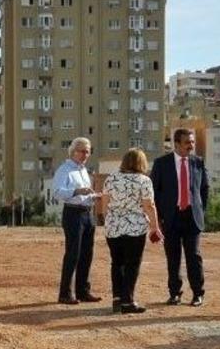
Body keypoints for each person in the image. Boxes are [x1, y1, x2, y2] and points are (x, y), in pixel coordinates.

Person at [149, 129, 209, 306]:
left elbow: (204, 189)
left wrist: (200, 210)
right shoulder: (161, 163)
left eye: (192, 142)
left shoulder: (198, 162)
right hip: (171, 217)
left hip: (192, 217)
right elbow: (154, 191)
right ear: (176, 144)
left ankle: (198, 293)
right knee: (173, 257)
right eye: (187, 142)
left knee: (194, 256)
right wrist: (158, 218)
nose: (191, 145)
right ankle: (175, 293)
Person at [99, 148, 163, 314]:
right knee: (132, 264)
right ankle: (128, 301)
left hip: (113, 227)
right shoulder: (143, 180)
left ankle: (117, 299)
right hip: (135, 228)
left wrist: (110, 220)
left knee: (117, 263)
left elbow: (104, 205)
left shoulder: (110, 179)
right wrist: (155, 227)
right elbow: (149, 206)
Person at [52, 137, 102, 305]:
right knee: (73, 254)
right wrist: (76, 191)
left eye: (88, 151)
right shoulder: (65, 170)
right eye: (82, 151)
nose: (85, 154)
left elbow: (85, 194)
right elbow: (57, 192)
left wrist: (95, 197)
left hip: (87, 214)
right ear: (73, 151)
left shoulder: (83, 171)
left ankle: (83, 291)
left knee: (87, 254)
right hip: (73, 214)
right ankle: (65, 293)